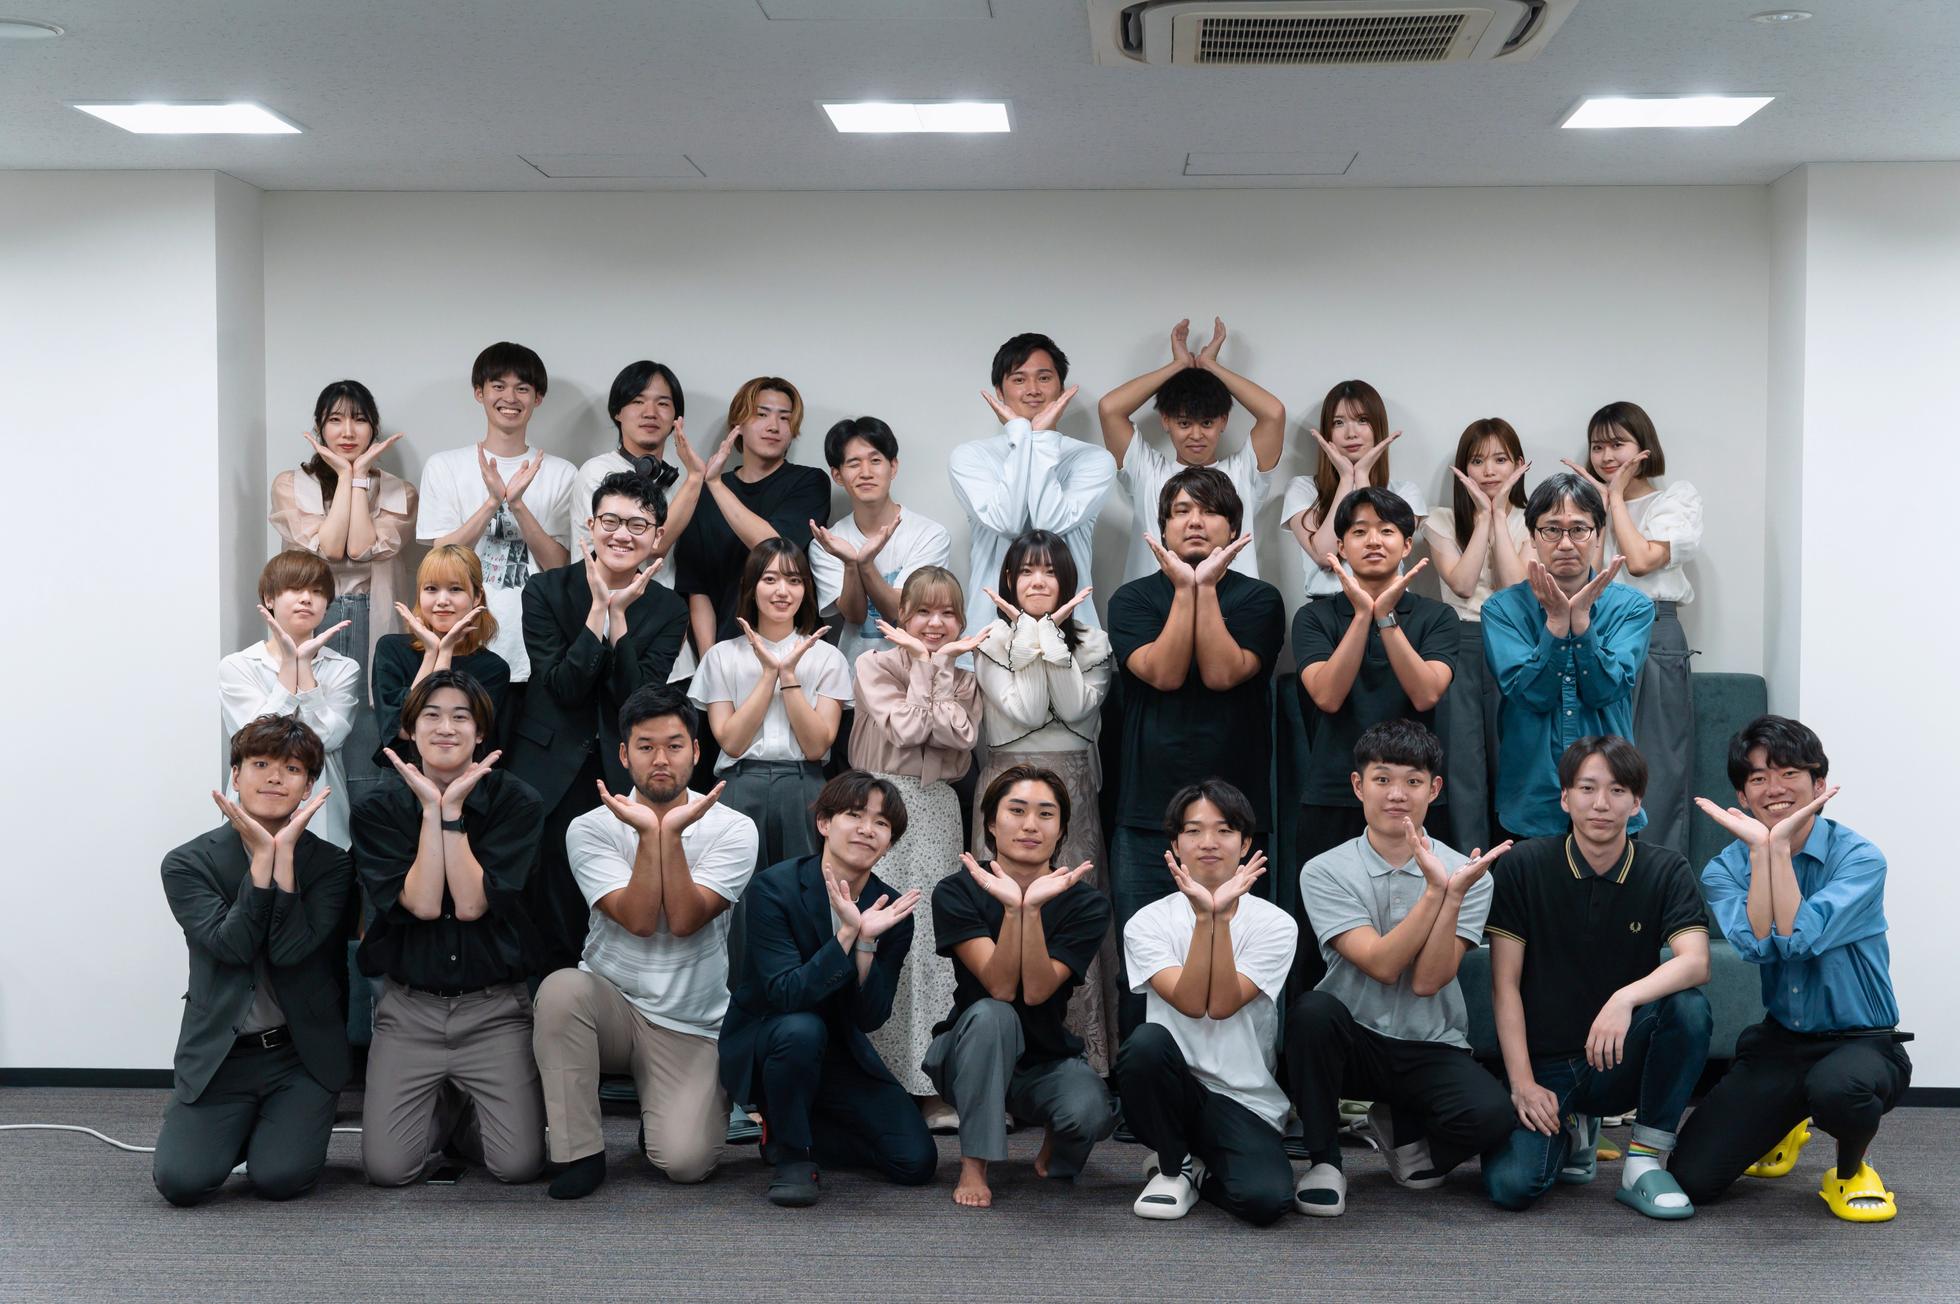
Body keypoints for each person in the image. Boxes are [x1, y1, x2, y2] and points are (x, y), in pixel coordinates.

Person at [1672, 717, 1912, 1222]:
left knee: (1838, 1090)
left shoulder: (1860, 859)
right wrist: (1765, 851)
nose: (1774, 788)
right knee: (1692, 1177)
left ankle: (1851, 1171)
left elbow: (1799, 940)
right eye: (1758, 778)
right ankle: (1787, 1122)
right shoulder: (1725, 868)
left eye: (1789, 773)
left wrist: (1775, 848)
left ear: (1819, 784)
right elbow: (1759, 947)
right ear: (1742, 797)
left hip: (1861, 1042)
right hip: (1783, 1042)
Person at [532, 685, 760, 1199]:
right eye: (646, 746)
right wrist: (648, 834)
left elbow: (684, 920)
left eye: (674, 746)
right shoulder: (590, 827)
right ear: (623, 754)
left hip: (690, 1022)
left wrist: (667, 834)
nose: (661, 759)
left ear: (696, 752)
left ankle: (660, 1113)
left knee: (686, 1163)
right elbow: (637, 920)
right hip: (609, 1005)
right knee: (561, 991)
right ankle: (579, 1152)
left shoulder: (734, 828)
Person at [1284, 720, 1515, 1217]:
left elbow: (1429, 981)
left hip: (1430, 1042)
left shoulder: (1469, 873)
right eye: (1382, 779)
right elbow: (1382, 965)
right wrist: (1435, 892)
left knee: (1493, 1117)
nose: (1396, 794)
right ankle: (1324, 1163)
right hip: (1352, 1040)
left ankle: (1401, 1127)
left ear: (1434, 789)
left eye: (1412, 781)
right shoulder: (1324, 870)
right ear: (1358, 785)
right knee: (1312, 1013)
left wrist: (1453, 893)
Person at [1481, 737, 1713, 1219]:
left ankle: (1644, 1161)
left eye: (1617, 790)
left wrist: (1623, 1000)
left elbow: (1695, 962)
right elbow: (1505, 985)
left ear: (1637, 802)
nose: (1601, 804)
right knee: (1512, 1187)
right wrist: (1522, 1083)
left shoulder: (1665, 868)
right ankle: (1574, 1131)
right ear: (1565, 798)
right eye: (1587, 788)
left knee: (1688, 1006)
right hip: (1545, 1066)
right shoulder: (1524, 865)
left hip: (1618, 1056)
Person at [352, 670, 547, 1187]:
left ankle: (463, 1109)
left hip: (494, 1011)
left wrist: (453, 812)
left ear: (480, 732)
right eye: (431, 716)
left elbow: (470, 904)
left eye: (461, 717)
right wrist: (429, 812)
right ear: (409, 730)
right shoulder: (377, 808)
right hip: (409, 1011)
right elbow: (420, 903)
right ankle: (443, 1102)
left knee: (518, 1166)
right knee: (389, 1170)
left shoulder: (517, 802)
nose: (445, 728)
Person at [1106, 467, 1284, 1030]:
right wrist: (1187, 589)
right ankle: (1143, 1074)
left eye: (1209, 511)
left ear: (1233, 527)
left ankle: (1242, 1072)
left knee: (1241, 959)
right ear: (1162, 527)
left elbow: (1223, 672)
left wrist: (1203, 588)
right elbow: (1161, 672)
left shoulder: (1259, 598)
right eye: (1181, 511)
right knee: (1145, 965)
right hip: (1146, 812)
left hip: (1237, 818)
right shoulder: (1133, 598)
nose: (1195, 521)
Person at [152, 715, 352, 1206]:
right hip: (223, 1057)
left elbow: (289, 951)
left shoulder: (332, 864)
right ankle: (237, 1129)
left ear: (308, 787)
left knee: (280, 1178)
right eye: (260, 764)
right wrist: (262, 863)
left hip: (298, 1056)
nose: (275, 777)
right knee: (181, 1182)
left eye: (292, 769)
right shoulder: (187, 863)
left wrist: (284, 861)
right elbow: (232, 947)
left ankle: (276, 1130)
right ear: (236, 776)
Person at [718, 771, 936, 1206]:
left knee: (915, 1161)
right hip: (775, 1038)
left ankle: (793, 1127)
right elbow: (785, 994)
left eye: (881, 823)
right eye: (854, 815)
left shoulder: (891, 911)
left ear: (889, 842)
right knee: (802, 1028)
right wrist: (846, 935)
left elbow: (870, 1017)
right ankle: (794, 1156)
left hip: (839, 1049)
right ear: (823, 823)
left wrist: (867, 942)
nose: (866, 829)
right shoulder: (775, 888)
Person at [506, 472, 689, 973]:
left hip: (618, 771)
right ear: (590, 526)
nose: (621, 534)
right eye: (610, 521)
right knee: (542, 904)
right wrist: (597, 612)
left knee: (609, 898)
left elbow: (639, 702)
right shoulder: (545, 590)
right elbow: (562, 686)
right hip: (547, 771)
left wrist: (620, 619)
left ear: (657, 536)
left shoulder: (669, 608)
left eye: (637, 525)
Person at [928, 765, 1114, 1208]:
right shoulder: (957, 891)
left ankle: (1055, 1146)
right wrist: (1014, 909)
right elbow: (1000, 987)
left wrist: (1030, 911)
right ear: (991, 823)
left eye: (1046, 814)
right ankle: (974, 1163)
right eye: (1017, 811)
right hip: (969, 1052)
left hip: (1045, 1059)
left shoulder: (1086, 903)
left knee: (1089, 1111)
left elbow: (1035, 991)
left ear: (1061, 830)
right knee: (995, 1014)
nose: (1031, 825)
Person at [1116, 781, 1296, 1224]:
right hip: (1172, 1089)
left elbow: (1222, 1005)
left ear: (1246, 843)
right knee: (1145, 1044)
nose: (1209, 842)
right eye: (1194, 831)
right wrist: (1205, 918)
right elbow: (1193, 1003)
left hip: (1243, 1098)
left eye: (1224, 830)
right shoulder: (1147, 922)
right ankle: (1173, 1165)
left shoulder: (1275, 924)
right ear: (1176, 844)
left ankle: (1200, 1172)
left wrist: (1219, 918)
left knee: (1266, 1201)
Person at [972, 529, 1117, 1074]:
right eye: (1027, 571)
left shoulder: (1095, 642)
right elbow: (1029, 711)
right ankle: (996, 1062)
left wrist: (1048, 637)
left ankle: (1084, 1061)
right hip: (1006, 785)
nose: (1038, 580)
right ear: (1009, 579)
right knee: (1001, 905)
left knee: (1071, 903)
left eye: (1051, 571)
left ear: (1068, 581)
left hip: (1073, 787)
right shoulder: (989, 640)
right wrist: (1032, 635)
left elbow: (1077, 708)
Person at [848, 567, 987, 1126]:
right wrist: (929, 669)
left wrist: (937, 668)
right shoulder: (873, 664)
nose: (935, 623)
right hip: (878, 807)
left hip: (938, 811)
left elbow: (959, 737)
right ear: (901, 616)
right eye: (923, 612)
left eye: (948, 613)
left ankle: (930, 1084)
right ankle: (873, 1078)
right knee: (877, 934)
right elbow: (907, 729)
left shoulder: (967, 680)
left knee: (933, 944)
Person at [1292, 487, 1457, 880]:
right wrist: (1363, 616)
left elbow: (1426, 694)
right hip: (1334, 789)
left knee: (1422, 902)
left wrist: (1385, 618)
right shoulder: (1313, 618)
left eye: (1386, 531)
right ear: (1341, 548)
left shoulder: (1438, 616)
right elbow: (1327, 696)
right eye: (1359, 531)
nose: (1373, 541)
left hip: (1414, 792)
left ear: (1406, 546)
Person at [1482, 472, 1654, 842]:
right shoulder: (1502, 609)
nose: (1565, 543)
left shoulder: (1632, 607)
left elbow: (1607, 689)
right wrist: (1557, 626)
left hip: (1611, 795)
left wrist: (1583, 625)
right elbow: (1531, 694)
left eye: (1579, 529)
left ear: (1598, 534)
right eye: (1551, 530)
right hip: (1532, 795)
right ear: (1532, 537)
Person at [269, 378, 417, 807]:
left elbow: (361, 548)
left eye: (359, 420)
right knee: (306, 710)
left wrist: (358, 479)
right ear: (319, 427)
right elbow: (331, 549)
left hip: (376, 616)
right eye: (335, 420)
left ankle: (367, 824)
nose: (348, 431)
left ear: (374, 427)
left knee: (370, 716)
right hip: (315, 614)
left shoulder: (400, 491)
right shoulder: (290, 485)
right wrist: (348, 474)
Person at [1563, 401, 1703, 854]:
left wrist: (1616, 499)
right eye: (1597, 446)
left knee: (1657, 762)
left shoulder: (1674, 499)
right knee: (1597, 760)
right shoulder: (1587, 505)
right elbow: (1584, 573)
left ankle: (1658, 877)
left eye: (1617, 444)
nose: (1606, 457)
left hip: (1655, 631)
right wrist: (1598, 507)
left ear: (1644, 448)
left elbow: (1640, 561)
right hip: (1597, 630)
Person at [415, 341, 577, 688]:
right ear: (480, 393)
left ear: (538, 398)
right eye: (498, 386)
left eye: (523, 388)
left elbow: (560, 566)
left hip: (536, 645)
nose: (510, 398)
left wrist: (517, 505)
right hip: (463, 639)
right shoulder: (444, 466)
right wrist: (492, 502)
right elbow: (441, 558)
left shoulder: (562, 473)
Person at [690, 539, 851, 870]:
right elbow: (732, 743)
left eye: (794, 580)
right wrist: (768, 674)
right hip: (738, 783)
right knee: (737, 890)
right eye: (770, 579)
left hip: (805, 786)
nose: (782, 591)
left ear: (806, 589)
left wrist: (788, 675)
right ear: (751, 587)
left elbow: (816, 746)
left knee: (801, 887)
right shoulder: (721, 656)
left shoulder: (828, 657)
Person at [950, 332, 1115, 637]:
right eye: (1019, 379)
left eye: (1044, 378)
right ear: (999, 391)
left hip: (1074, 635)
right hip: (989, 632)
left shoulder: (1094, 459)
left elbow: (1048, 525)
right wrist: (1022, 436)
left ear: (1061, 388)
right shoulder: (971, 456)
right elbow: (1007, 522)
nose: (1033, 390)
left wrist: (1040, 438)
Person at [1097, 318, 1285, 582]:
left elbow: (1274, 414)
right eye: (1184, 423)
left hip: (1232, 605)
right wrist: (1178, 365)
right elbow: (1110, 409)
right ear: (1166, 421)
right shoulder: (1147, 472)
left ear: (1223, 421)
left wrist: (1210, 365)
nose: (1196, 435)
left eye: (1206, 423)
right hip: (1154, 605)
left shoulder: (1241, 472)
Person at [1421, 418, 1532, 856]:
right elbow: (1464, 585)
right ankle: (1468, 874)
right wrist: (1484, 517)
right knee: (1462, 765)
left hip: (1517, 642)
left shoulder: (1536, 519)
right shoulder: (1441, 519)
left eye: (1500, 459)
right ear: (1463, 467)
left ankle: (1515, 874)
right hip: (1459, 642)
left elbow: (1513, 586)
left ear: (1518, 465)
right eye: (1478, 460)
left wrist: (1500, 516)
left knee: (1513, 760)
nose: (1489, 470)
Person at [673, 376, 832, 655]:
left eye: (785, 418)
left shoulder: (809, 482)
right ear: (738, 424)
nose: (774, 426)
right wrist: (711, 660)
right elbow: (697, 589)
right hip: (729, 651)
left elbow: (775, 549)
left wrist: (715, 484)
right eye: (761, 414)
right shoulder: (704, 495)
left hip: (797, 649)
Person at [572, 359, 708, 681]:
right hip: (603, 628)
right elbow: (650, 546)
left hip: (668, 632)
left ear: (676, 418)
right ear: (617, 412)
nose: (650, 413)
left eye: (663, 403)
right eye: (637, 401)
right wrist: (695, 479)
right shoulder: (598, 472)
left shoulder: (682, 477)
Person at [221, 551, 360, 849]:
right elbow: (256, 740)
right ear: (269, 599)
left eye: (317, 592)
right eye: (295, 589)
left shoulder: (344, 668)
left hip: (324, 818)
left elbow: (327, 739)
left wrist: (304, 666)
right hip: (251, 816)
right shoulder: (238, 665)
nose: (307, 599)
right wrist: (289, 665)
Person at [807, 415, 954, 666]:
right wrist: (851, 564)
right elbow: (853, 616)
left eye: (875, 461)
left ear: (893, 467)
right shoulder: (827, 544)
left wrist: (865, 564)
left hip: (916, 674)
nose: (866, 473)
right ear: (837, 475)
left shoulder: (929, 535)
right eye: (854, 463)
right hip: (855, 676)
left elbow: (900, 612)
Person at [1282, 379, 1428, 601]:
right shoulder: (1303, 489)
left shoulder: (1406, 493)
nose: (1351, 433)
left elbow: (1382, 553)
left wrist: (1362, 478)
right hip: (1327, 607)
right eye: (1338, 422)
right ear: (1328, 431)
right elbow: (1325, 556)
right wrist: (1346, 479)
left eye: (1362, 420)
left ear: (1378, 427)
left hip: (1389, 603)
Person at [373, 544, 511, 749]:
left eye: (455, 589)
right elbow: (405, 729)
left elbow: (445, 735)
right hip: (400, 767)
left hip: (464, 767)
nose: (442, 600)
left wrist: (444, 653)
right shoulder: (391, 649)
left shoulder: (493, 668)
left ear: (477, 596)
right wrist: (431, 653)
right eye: (431, 589)